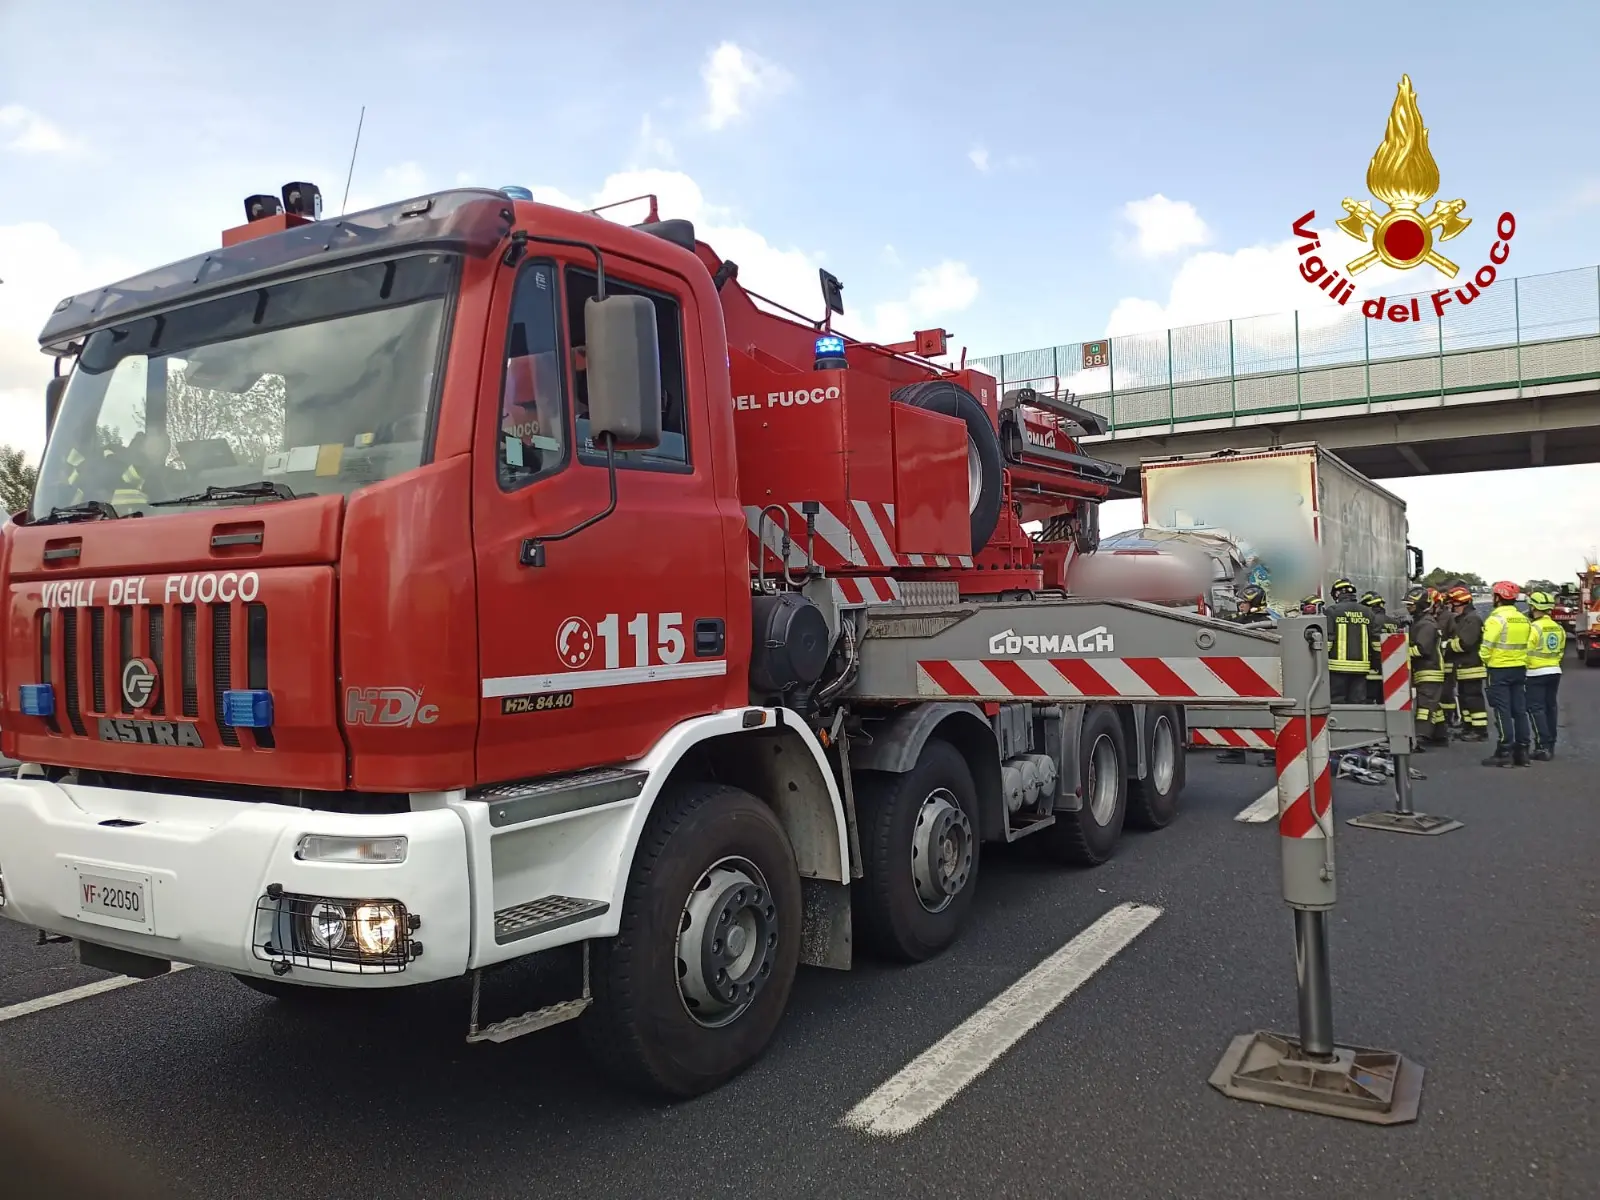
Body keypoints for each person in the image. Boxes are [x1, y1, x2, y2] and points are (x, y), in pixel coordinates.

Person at [1480, 579, 1534, 768]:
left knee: (1503, 711)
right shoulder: (1523, 619)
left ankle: (1505, 752)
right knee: (1520, 711)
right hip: (1519, 668)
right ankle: (1523, 751)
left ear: (1498, 597)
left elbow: (1486, 646)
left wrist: (1486, 660)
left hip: (1499, 669)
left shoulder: (1496, 619)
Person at [1441, 584, 1488, 741]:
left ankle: (1480, 730)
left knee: (1473, 699)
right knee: (1465, 699)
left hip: (1471, 667)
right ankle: (1468, 726)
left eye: (1452, 604)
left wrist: (1446, 645)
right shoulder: (1463, 619)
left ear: (1460, 603)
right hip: (1463, 667)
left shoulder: (1472, 619)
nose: (1451, 608)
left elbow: (1465, 643)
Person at [1525, 590, 1566, 761]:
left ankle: (1542, 746)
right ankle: (1550, 745)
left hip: (1535, 673)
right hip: (1554, 671)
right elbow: (1561, 650)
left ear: (1533, 607)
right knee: (1550, 708)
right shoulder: (1558, 628)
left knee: (1536, 709)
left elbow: (1526, 651)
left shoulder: (1533, 628)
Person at [1406, 587, 1448, 750]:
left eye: (1411, 604)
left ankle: (1421, 737)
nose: (1408, 607)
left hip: (1429, 670)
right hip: (1427, 670)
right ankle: (1440, 735)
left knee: (1425, 705)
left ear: (1421, 604)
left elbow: (1422, 649)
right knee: (1434, 704)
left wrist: (1400, 652)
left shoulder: (1426, 624)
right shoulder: (1422, 622)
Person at [1324, 578, 1372, 704]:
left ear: (1337, 593)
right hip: (1361, 669)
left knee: (1337, 703)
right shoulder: (1367, 611)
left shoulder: (1332, 611)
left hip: (1337, 668)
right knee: (1358, 704)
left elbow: (1328, 641)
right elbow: (1374, 639)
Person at [1360, 591, 1399, 703]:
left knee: (1370, 700)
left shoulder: (1370, 621)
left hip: (1373, 667)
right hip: (1392, 667)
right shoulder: (1394, 622)